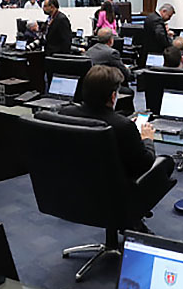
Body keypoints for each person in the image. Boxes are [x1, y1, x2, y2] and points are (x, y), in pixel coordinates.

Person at [59, 66, 174, 206]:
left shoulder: (65, 114)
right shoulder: (123, 126)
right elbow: (145, 163)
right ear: (113, 96)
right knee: (166, 163)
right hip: (117, 189)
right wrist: (147, 138)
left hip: (78, 184)